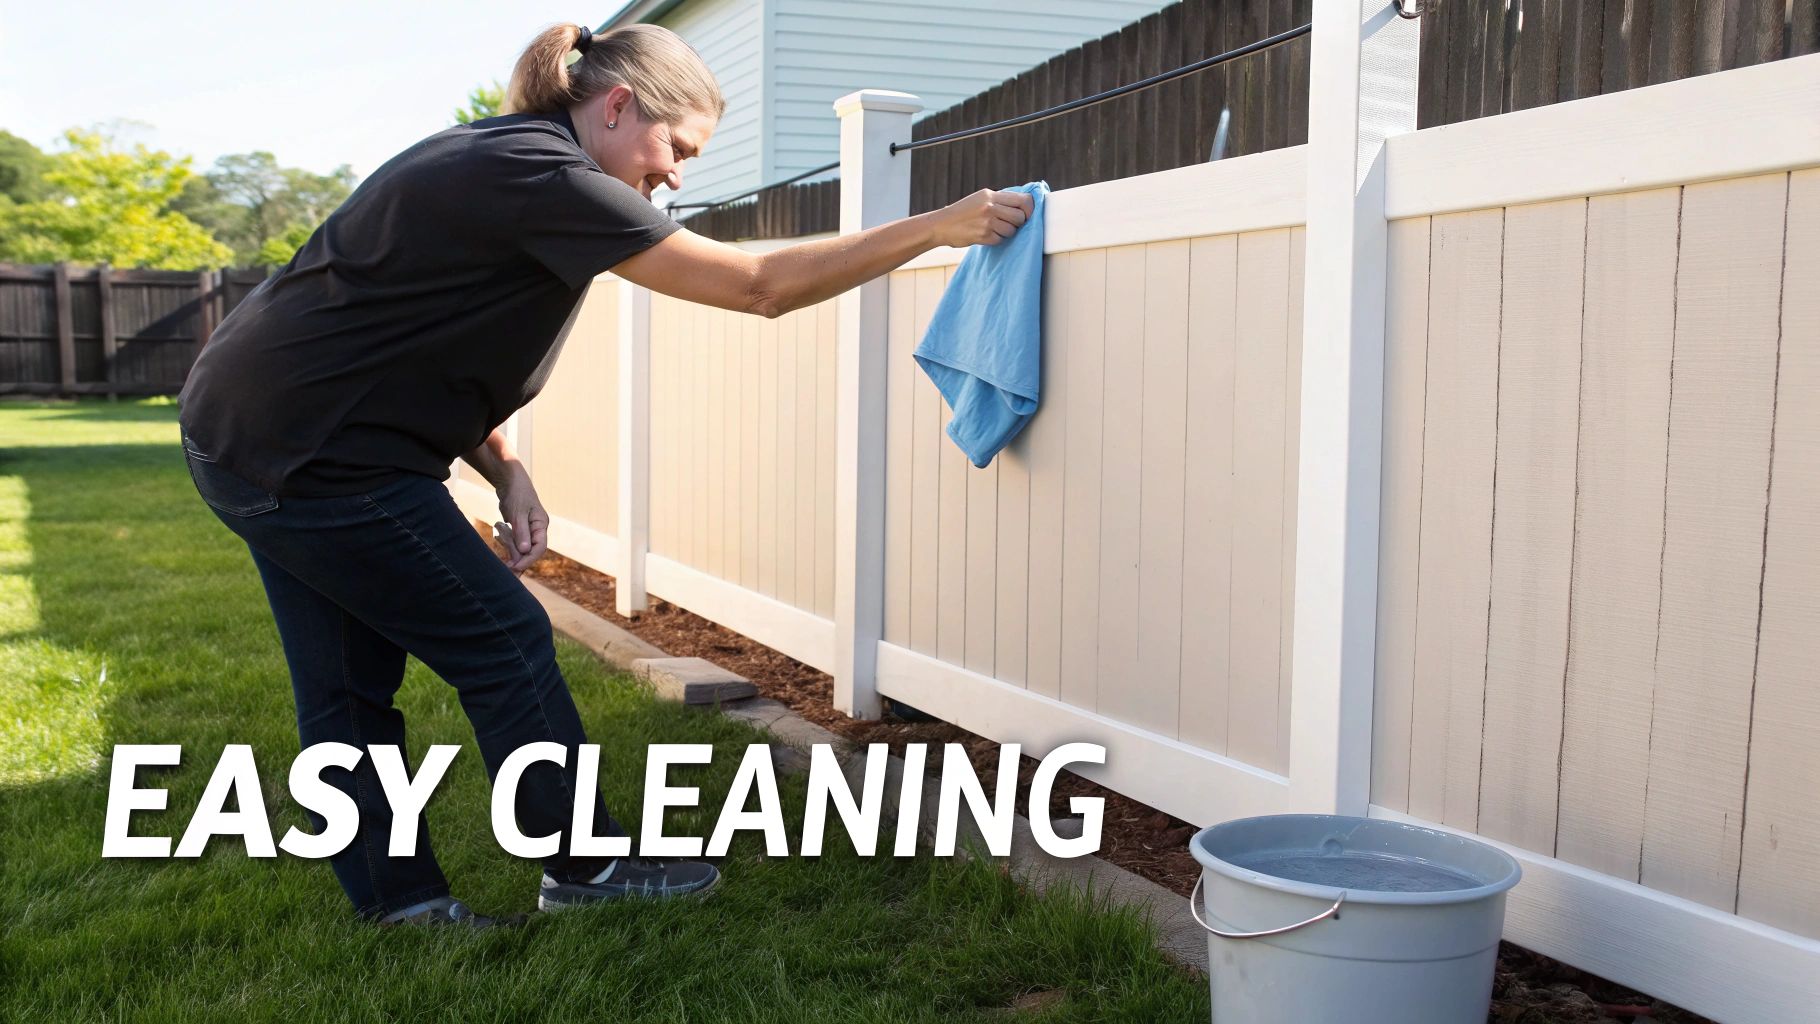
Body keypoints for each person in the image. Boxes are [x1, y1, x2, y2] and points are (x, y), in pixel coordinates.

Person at [175, 21, 1032, 928]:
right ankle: (583, 867)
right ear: (619, 106)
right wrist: (939, 226)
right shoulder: (547, 176)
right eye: (677, 147)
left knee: (347, 686)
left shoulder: (504, 157)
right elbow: (757, 285)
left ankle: (402, 908)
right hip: (315, 456)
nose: (677, 175)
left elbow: (416, 333)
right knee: (500, 639)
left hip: (253, 435)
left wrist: (504, 466)